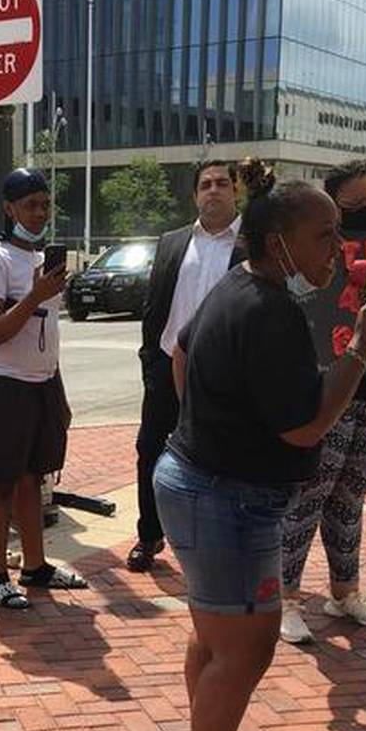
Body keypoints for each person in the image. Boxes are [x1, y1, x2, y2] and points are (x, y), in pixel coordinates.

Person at [153, 159, 366, 731]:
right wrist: (362, 348)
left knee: (215, 639)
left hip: (207, 483)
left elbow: (181, 356)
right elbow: (304, 425)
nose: (340, 250)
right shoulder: (268, 310)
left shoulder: (240, 290)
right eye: (326, 235)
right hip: (223, 497)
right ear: (278, 244)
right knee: (247, 645)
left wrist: (203, 422)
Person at [279, 159, 366, 644]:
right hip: (330, 390)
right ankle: (285, 599)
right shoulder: (312, 256)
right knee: (309, 495)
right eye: (355, 207)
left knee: (352, 495)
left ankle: (344, 591)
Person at [0, 167, 86, 609]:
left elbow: (46, 331)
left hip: (41, 382)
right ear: (8, 208)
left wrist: (57, 387)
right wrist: (34, 297)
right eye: (30, 204)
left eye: (45, 204)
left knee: (32, 480)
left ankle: (34, 567)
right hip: (0, 385)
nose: (39, 213)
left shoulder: (40, 262)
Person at [127, 161, 242, 572]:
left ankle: (217, 544)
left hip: (225, 377)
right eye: (205, 185)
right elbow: (153, 305)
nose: (213, 190)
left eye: (222, 184)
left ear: (236, 191)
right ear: (195, 195)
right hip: (165, 366)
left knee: (220, 458)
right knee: (150, 451)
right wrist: (148, 360)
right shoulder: (173, 242)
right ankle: (149, 536)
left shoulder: (251, 245)